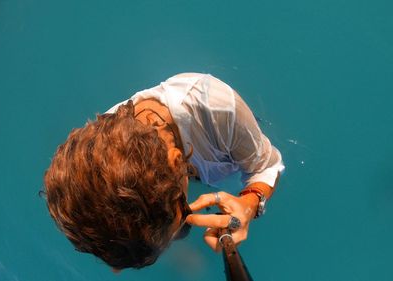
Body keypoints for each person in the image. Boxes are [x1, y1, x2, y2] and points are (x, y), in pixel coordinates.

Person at [43, 73, 284, 271]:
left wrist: (251, 202)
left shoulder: (219, 111)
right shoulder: (97, 144)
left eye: (181, 218)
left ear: (179, 162)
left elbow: (267, 165)